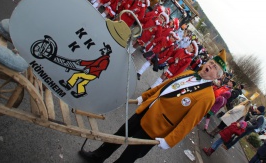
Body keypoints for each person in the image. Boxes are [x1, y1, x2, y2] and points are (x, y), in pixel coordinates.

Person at [78, 51, 227, 163]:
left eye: (214, 67)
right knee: (119, 135)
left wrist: (170, 140)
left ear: (216, 76)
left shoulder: (208, 97)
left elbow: (189, 122)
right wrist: (144, 97)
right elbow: (164, 86)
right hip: (146, 109)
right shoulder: (189, 73)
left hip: (158, 126)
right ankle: (97, 157)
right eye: (211, 62)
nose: (210, 66)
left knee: (129, 155)